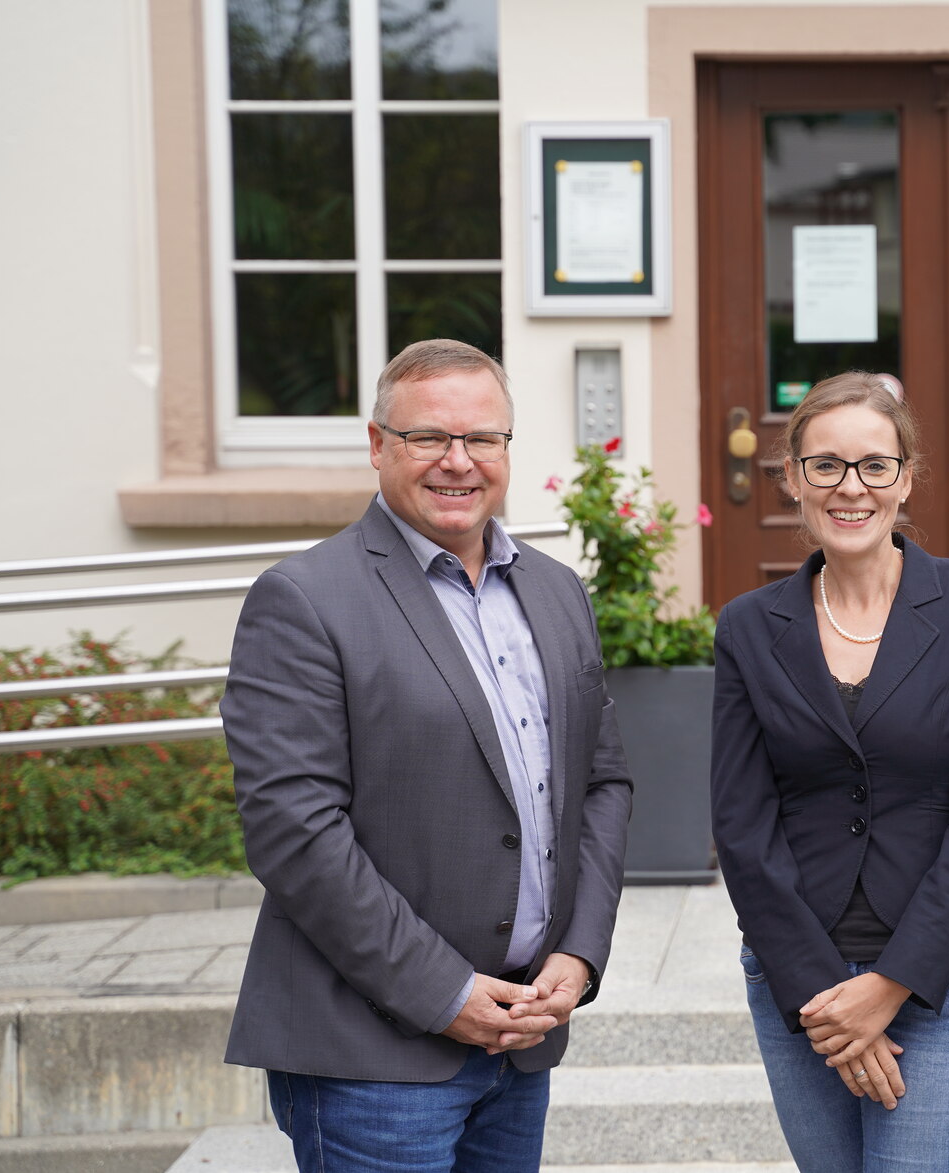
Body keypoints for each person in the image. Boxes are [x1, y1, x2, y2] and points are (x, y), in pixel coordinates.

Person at [221, 338, 633, 1172]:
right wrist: (445, 994)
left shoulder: (555, 590)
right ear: (378, 446)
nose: (459, 461)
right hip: (372, 1053)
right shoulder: (303, 599)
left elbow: (602, 782)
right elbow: (295, 833)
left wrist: (578, 951)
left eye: (483, 438)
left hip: (520, 1035)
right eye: (428, 438)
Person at [710, 371, 949, 1172]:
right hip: (800, 977)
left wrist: (889, 985)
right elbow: (741, 825)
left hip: (944, 970)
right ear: (792, 479)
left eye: (874, 465)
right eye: (825, 465)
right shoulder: (749, 627)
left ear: (906, 475)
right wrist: (826, 997)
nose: (851, 487)